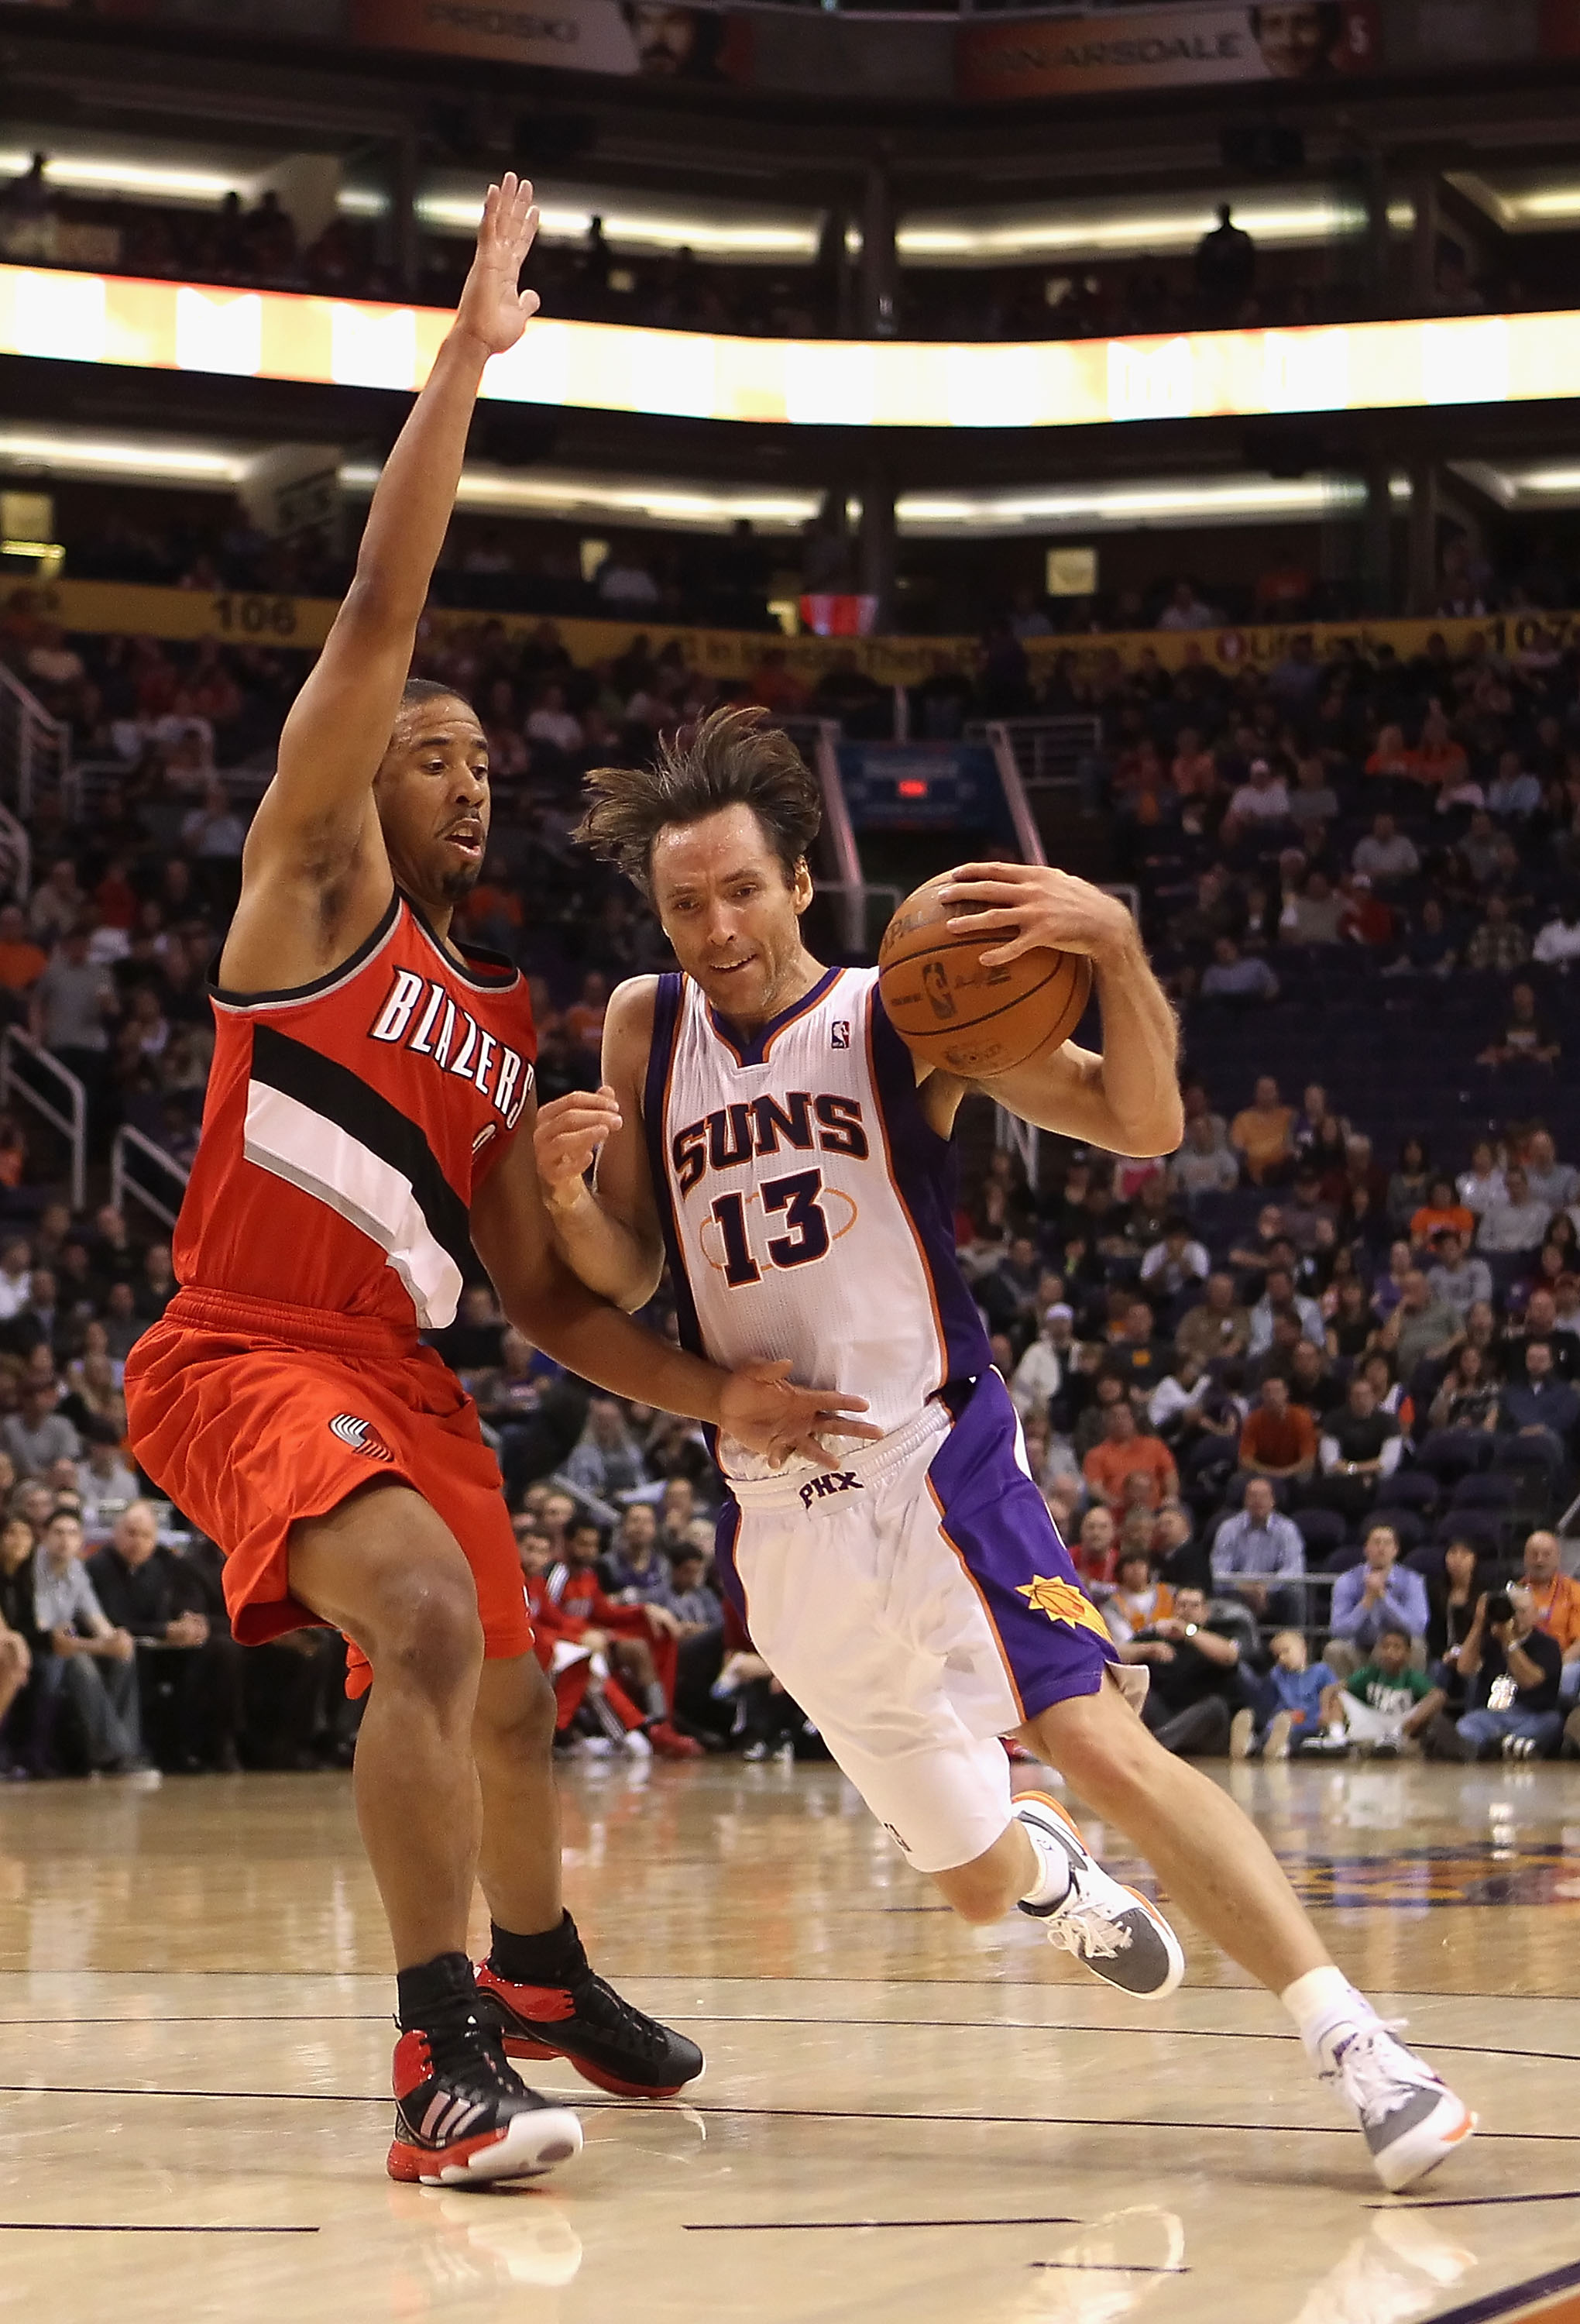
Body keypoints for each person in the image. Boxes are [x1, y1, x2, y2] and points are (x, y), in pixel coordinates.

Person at [123, 181, 868, 2192]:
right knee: (434, 1628)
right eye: (431, 750)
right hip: (246, 1352)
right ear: (358, 777)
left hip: (412, 1372)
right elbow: (377, 616)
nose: (466, 775)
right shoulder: (312, 890)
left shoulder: (506, 1021)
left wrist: (712, 1375)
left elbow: (552, 1302)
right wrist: (464, 359)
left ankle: (537, 1975)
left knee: (521, 1701)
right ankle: (437, 2065)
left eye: (480, 761)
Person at [531, 703, 1472, 2193]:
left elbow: (1144, 1120)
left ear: (796, 876)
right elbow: (635, 1268)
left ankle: (1361, 2045)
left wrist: (1108, 943)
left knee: (1103, 1735)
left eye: (739, 891)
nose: (714, 926)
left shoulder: (906, 1006)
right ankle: (1047, 1871)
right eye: (683, 903)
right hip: (781, 1521)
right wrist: (571, 1195)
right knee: (975, 1885)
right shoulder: (648, 1025)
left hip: (938, 1464)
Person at [30, 1506, 150, 1777]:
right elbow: (50, 1635)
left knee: (125, 1654)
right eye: (58, 1532)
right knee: (81, 1664)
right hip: (40, 1647)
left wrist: (116, 1639)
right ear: (45, 1537)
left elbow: (97, 1620)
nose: (65, 1540)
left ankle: (107, 1754)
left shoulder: (76, 1569)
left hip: (68, 1644)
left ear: (81, 1540)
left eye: (72, 1533)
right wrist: (98, 1645)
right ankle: (124, 1753)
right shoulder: (35, 1567)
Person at [1452, 1583, 1564, 1760]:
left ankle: (1496, 1746)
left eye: (1523, 1611)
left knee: (1552, 1722)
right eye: (1513, 1611)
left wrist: (1509, 1641)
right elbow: (1464, 1668)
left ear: (1535, 1614)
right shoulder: (1490, 1640)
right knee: (1466, 1725)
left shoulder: (1547, 1645)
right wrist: (1478, 1623)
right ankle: (1509, 1746)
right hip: (1490, 1714)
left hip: (1532, 1714)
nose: (1517, 1617)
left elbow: (1529, 1680)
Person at [1327, 1523, 1430, 1680]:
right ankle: (1346, 1703)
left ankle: (1405, 1698)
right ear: (1366, 1548)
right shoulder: (1347, 1581)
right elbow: (1338, 1631)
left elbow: (1417, 1628)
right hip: (1358, 1649)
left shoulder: (1412, 1581)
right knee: (1334, 1649)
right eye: (1376, 1542)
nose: (1381, 1548)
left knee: (1416, 1645)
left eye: (1387, 1543)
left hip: (1393, 1651)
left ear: (1396, 1550)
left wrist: (1383, 1597)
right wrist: (1367, 1601)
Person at [1235, 1628, 1345, 1762]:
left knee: (1298, 1738)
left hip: (1310, 1721)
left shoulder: (1321, 1671)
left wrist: (1327, 1713)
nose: (1282, 1658)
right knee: (1270, 1730)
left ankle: (1280, 1748)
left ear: (1303, 1649)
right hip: (1283, 1719)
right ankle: (1249, 1744)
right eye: (1277, 1655)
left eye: (1286, 1651)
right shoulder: (1277, 1674)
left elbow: (1333, 1692)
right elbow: (1267, 1701)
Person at [1209, 1476, 1305, 1625]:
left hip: (1273, 1593)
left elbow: (1293, 1570)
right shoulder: (1228, 1528)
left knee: (1294, 1594)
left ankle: (1295, 1642)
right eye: (1253, 1496)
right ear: (1245, 1501)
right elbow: (1218, 1571)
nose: (1258, 1501)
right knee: (1216, 1593)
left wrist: (1265, 1588)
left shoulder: (1287, 1529)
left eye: (1263, 1496)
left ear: (1273, 1501)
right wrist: (1245, 1588)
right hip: (1237, 1591)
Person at [1339, 1625, 1448, 1756]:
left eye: (1396, 1647)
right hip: (1374, 1720)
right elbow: (1333, 1690)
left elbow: (1439, 1696)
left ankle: (1397, 1738)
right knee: (1337, 1695)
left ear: (1408, 1653)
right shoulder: (1369, 1673)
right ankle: (1336, 1737)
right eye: (1385, 1647)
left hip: (1402, 1724)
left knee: (1437, 1697)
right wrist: (1328, 1714)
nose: (1389, 1652)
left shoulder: (1411, 1677)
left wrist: (1412, 1723)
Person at [1516, 1529, 1580, 1707]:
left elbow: (1579, 1643)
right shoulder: (1515, 1592)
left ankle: (1557, 1723)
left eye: (1546, 1554)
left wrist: (1554, 1667)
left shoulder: (1574, 1591)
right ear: (1525, 1558)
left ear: (1558, 1557)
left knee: (1566, 1675)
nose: (1539, 1560)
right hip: (1523, 1662)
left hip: (1564, 1661)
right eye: (1534, 1554)